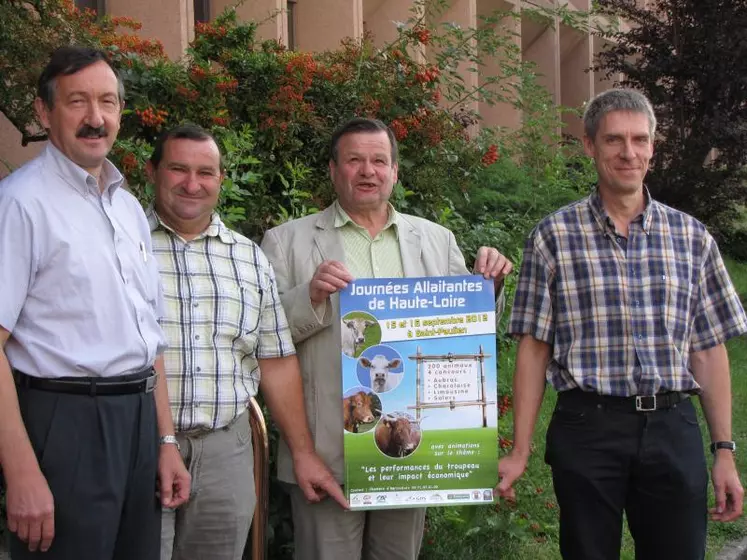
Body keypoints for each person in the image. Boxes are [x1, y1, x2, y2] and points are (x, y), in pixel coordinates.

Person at [498, 88, 747, 559]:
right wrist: (519, 449)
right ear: (590, 145)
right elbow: (533, 349)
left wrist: (725, 452)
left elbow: (709, 351)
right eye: (613, 140)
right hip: (586, 428)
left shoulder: (693, 238)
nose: (627, 152)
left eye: (638, 139)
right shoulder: (553, 237)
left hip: (673, 427)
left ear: (653, 146)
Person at [261, 117, 513, 560]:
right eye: (354, 160)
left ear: (395, 171)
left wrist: (486, 288)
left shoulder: (436, 239)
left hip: (411, 446)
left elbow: (467, 334)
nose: (367, 170)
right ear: (333, 170)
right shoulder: (286, 242)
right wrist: (310, 296)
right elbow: (263, 336)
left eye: (379, 160)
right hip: (326, 452)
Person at [0, 46, 190, 560]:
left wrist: (165, 442)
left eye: (108, 102)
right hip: (65, 424)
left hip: (136, 423)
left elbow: (148, 335)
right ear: (44, 113)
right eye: (77, 102)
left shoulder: (127, 207)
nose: (95, 118)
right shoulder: (20, 204)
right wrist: (20, 471)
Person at [145, 123, 347, 560]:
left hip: (226, 451)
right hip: (139, 445)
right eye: (178, 169)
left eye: (206, 172)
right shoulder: (126, 247)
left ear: (221, 179)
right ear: (153, 172)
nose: (192, 184)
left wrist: (304, 453)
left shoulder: (247, 256)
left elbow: (275, 361)